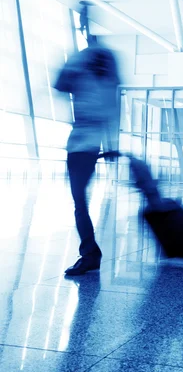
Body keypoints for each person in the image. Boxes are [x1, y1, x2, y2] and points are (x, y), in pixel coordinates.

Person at [54, 35, 120, 275]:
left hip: (80, 144)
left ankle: (90, 254)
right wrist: (112, 144)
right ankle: (90, 252)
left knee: (79, 201)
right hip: (91, 144)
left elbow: (60, 83)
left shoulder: (82, 64)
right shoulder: (107, 72)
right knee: (80, 201)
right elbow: (112, 111)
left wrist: (78, 55)